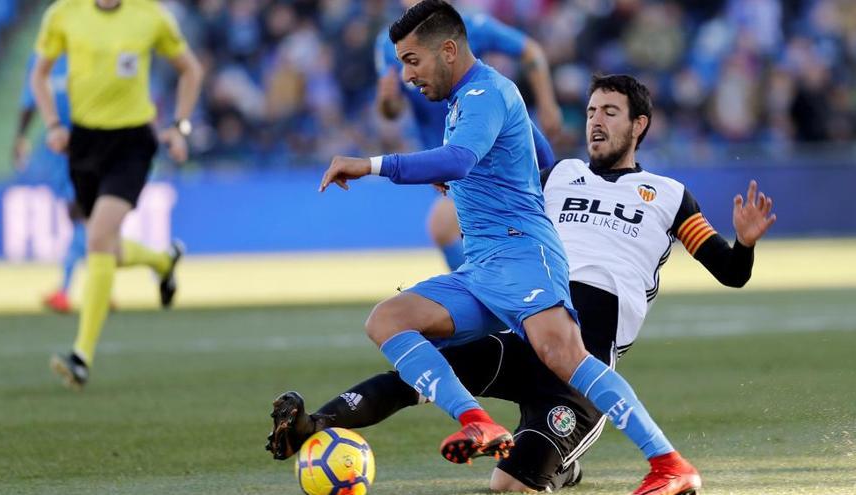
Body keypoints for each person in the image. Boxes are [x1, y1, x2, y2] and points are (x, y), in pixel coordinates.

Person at [275, 74, 776, 493]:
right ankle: (314, 424)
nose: (595, 121)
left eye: (610, 112)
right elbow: (500, 175)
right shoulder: (557, 175)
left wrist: (746, 242)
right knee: (418, 376)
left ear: (639, 124)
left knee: (507, 487)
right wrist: (457, 179)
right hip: (521, 330)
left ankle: (565, 467)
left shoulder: (670, 196)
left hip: (580, 367)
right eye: (591, 110)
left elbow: (731, 272)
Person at [319, 2, 702, 493]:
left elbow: (458, 158)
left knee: (566, 357)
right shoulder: (470, 98)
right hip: (482, 266)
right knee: (387, 320)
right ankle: (477, 420)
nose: (407, 74)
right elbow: (537, 153)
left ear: (449, 50)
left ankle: (669, 462)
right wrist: (493, 175)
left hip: (522, 255)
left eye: (412, 60)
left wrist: (370, 165)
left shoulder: (484, 92)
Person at [31, 0, 203, 389]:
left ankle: (81, 357)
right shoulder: (62, 14)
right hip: (84, 143)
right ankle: (162, 261)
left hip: (131, 143)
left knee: (96, 237)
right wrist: (53, 124)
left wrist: (180, 126)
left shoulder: (151, 15)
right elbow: (39, 75)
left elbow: (190, 69)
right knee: (105, 245)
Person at [375, 0, 562, 271]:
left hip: (480, 156)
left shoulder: (469, 28)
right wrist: (387, 99)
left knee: (444, 225)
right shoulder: (389, 44)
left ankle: (485, 291)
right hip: (445, 165)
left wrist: (547, 104)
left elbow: (530, 51)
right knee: (470, 233)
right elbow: (391, 110)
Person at [13, 53, 85, 313]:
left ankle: (67, 289)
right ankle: (101, 285)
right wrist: (20, 137)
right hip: (59, 149)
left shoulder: (85, 47)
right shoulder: (42, 58)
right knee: (82, 217)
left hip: (88, 143)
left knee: (83, 215)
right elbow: (29, 99)